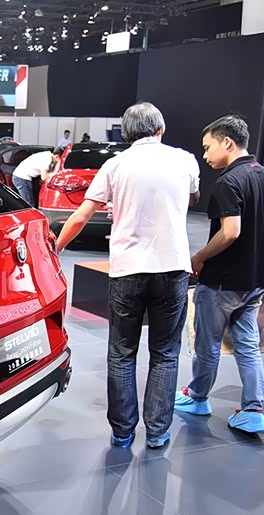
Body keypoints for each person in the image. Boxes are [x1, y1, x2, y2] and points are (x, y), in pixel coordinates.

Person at [55, 102, 201, 449]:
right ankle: (158, 431)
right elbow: (193, 197)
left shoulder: (115, 165)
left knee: (122, 352)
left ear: (126, 133)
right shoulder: (185, 160)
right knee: (165, 352)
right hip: (173, 268)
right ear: (160, 129)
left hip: (127, 270)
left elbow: (81, 216)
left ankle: (122, 431)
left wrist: (55, 248)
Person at [174, 116, 264, 433]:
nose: (205, 155)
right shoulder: (260, 174)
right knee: (248, 345)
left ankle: (198, 397)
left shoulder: (228, 181)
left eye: (208, 147)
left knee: (208, 344)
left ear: (227, 142)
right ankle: (254, 408)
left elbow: (230, 231)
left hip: (222, 281)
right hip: (254, 281)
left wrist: (199, 257)